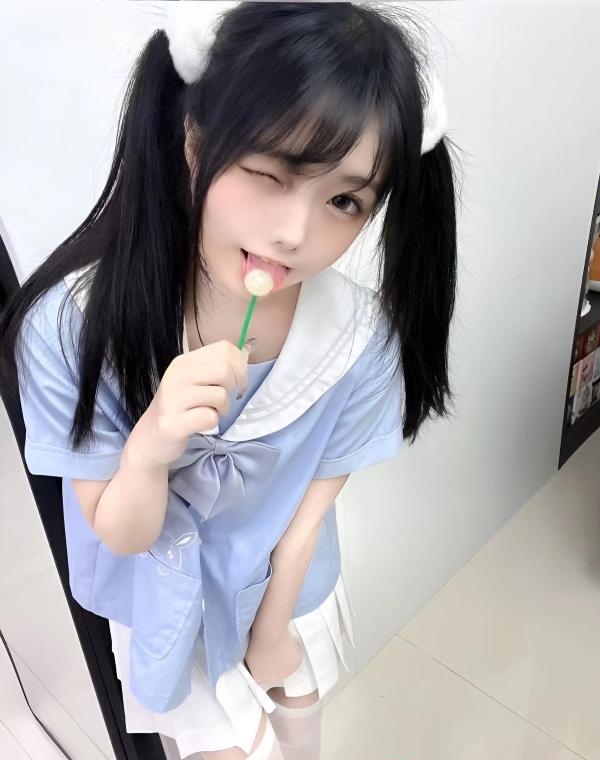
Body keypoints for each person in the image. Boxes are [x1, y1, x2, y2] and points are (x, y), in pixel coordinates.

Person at [0, 3, 460, 758]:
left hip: (287, 584)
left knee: (300, 706)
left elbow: (311, 510)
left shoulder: (358, 338)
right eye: (268, 173)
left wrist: (273, 625)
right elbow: (120, 531)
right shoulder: (70, 328)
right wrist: (151, 445)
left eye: (344, 201)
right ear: (194, 139)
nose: (294, 234)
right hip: (163, 600)